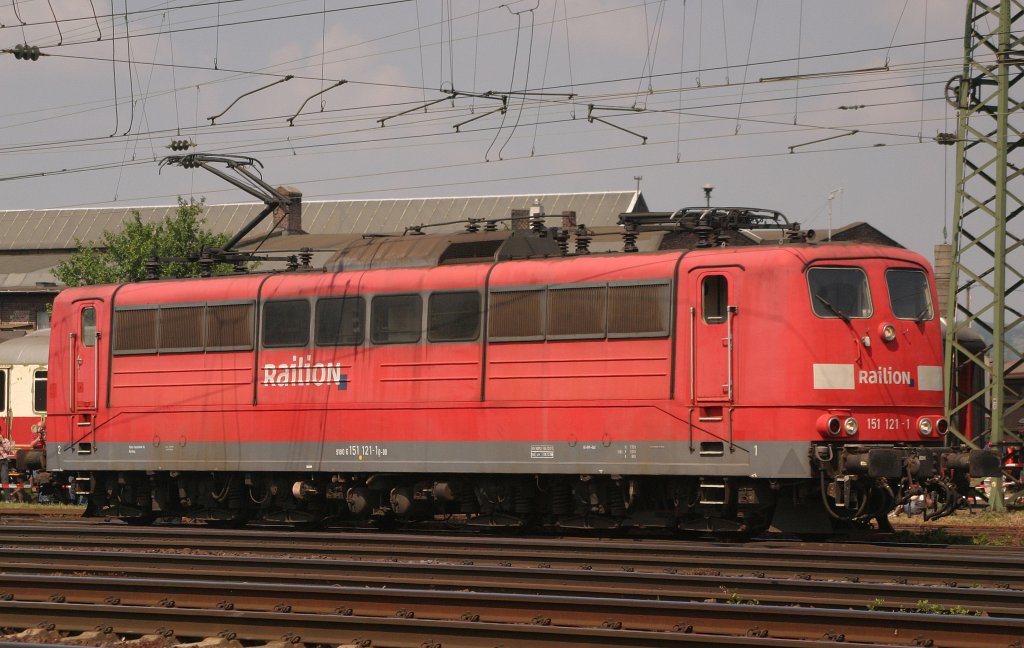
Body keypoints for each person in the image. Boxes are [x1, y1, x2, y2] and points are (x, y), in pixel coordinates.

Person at [0, 435, 13, 501]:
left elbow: (8, 450)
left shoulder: (5, 440)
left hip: (3, 461)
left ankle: (7, 499)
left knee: (4, 479)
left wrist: (2, 441)